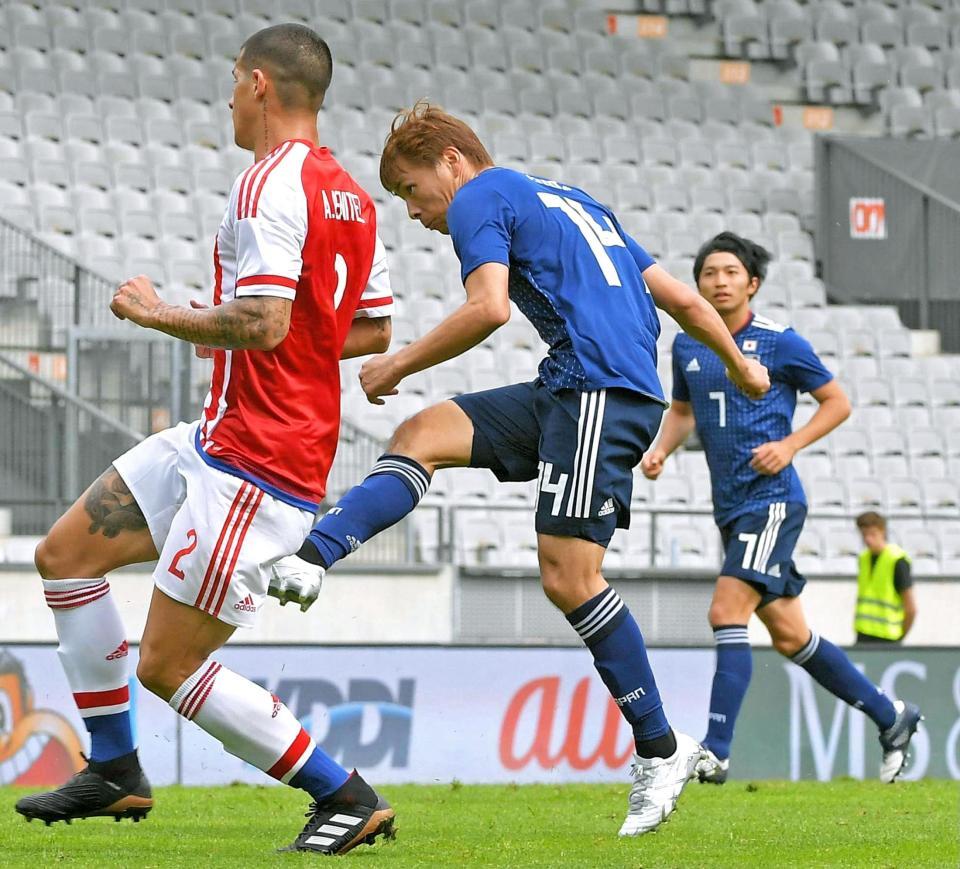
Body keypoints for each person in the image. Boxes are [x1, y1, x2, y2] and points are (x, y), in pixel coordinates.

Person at [269, 101, 771, 837]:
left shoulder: (479, 196)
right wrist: (740, 365)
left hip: (599, 389)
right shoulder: (571, 199)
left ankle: (660, 748)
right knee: (425, 432)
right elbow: (682, 298)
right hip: (573, 385)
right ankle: (315, 555)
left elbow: (489, 308)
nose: (412, 211)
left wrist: (398, 361)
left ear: (450, 160)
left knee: (569, 576)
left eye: (410, 189)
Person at [17, 25, 398, 856]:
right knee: (65, 556)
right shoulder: (347, 194)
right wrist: (242, 333)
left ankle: (345, 793)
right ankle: (115, 770)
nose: (227, 98)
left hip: (257, 466)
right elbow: (368, 327)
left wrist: (159, 312)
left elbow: (262, 324)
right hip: (216, 438)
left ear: (259, 84)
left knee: (166, 664)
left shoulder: (267, 183)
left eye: (233, 83)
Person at [640, 232, 922, 786]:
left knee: (725, 612)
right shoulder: (689, 344)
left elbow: (837, 401)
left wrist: (791, 445)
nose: (718, 281)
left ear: (753, 284)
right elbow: (682, 412)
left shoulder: (779, 342)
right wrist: (659, 451)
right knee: (791, 636)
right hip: (732, 508)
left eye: (729, 272)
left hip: (772, 503)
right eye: (707, 274)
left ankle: (716, 750)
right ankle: (893, 718)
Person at [854, 512, 916, 644]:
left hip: (888, 638)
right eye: (864, 534)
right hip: (863, 634)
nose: (867, 539)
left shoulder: (897, 560)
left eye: (872, 534)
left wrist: (900, 638)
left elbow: (911, 608)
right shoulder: (863, 559)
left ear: (883, 532)